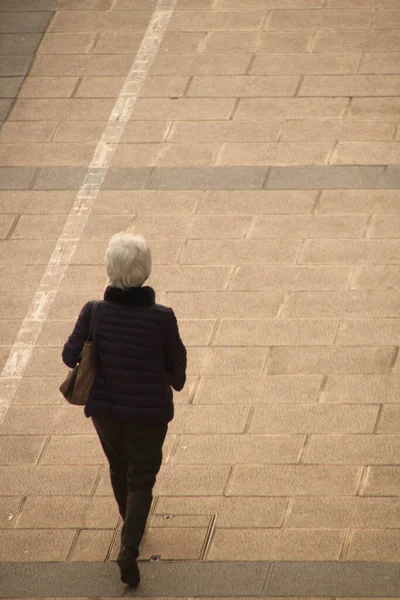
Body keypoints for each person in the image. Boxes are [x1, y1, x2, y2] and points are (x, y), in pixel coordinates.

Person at [62, 232, 187, 587]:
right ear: (144, 271)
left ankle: (128, 518)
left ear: (110, 270)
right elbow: (176, 364)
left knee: (119, 465)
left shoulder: (94, 311)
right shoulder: (162, 318)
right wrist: (174, 379)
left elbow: (69, 356)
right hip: (149, 415)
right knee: (142, 478)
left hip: (105, 411)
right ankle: (128, 549)